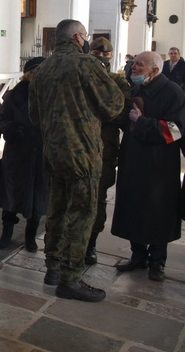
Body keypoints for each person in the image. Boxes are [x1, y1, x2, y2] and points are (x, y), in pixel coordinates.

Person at [29, 19, 124, 303]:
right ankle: (71, 279)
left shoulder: (42, 70)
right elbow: (114, 105)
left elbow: (34, 116)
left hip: (54, 152)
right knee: (82, 213)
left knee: (57, 208)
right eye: (85, 36)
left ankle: (53, 269)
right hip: (83, 152)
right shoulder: (86, 65)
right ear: (78, 37)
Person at [111, 51, 185, 282]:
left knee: (158, 211)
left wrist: (141, 122)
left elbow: (175, 130)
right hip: (133, 159)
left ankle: (157, 261)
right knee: (134, 206)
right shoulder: (135, 89)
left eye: (139, 66)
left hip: (159, 165)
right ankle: (138, 256)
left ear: (154, 70)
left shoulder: (173, 92)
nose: (133, 68)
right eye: (134, 64)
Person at [84, 37, 132, 265]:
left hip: (104, 149)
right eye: (96, 53)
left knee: (98, 198)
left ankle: (90, 243)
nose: (101, 57)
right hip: (79, 147)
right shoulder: (79, 77)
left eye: (105, 54)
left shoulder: (118, 83)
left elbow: (123, 114)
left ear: (111, 57)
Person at [0, 57, 49, 252]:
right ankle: (6, 233)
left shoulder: (51, 95)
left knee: (38, 196)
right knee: (11, 194)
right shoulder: (16, 94)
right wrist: (13, 129)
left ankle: (30, 236)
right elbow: (2, 118)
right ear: (29, 74)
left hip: (42, 154)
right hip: (18, 153)